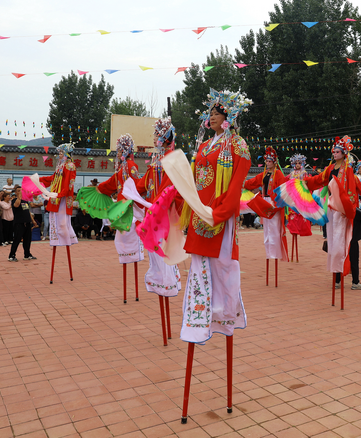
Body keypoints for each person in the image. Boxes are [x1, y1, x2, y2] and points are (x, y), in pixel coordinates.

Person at [154, 88, 252, 421]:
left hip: (219, 223)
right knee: (197, 276)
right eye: (209, 112)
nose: (210, 116)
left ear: (229, 116)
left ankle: (222, 315)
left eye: (216, 112)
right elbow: (196, 184)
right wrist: (181, 200)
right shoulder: (205, 147)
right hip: (200, 219)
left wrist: (218, 213)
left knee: (223, 275)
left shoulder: (238, 146)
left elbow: (235, 188)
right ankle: (198, 322)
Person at [133, 118, 182, 345]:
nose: (153, 139)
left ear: (165, 138)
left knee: (163, 259)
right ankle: (162, 285)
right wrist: (127, 190)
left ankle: (166, 286)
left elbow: (170, 190)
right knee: (155, 257)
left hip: (164, 218)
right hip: (153, 215)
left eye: (157, 135)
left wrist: (155, 206)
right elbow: (143, 185)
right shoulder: (154, 163)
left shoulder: (172, 162)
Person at [79, 134, 143, 302]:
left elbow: (133, 186)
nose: (118, 151)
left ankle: (130, 292)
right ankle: (131, 291)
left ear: (125, 149)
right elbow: (113, 184)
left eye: (120, 149)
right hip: (124, 209)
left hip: (126, 208)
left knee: (126, 240)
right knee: (126, 241)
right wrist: (97, 189)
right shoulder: (124, 167)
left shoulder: (128, 166)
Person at [304, 136, 361, 293]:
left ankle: (355, 281)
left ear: (344, 153)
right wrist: (307, 182)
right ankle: (337, 279)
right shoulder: (330, 169)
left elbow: (353, 189)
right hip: (333, 210)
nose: (334, 154)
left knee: (351, 246)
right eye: (333, 151)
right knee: (335, 244)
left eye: (337, 151)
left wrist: (349, 208)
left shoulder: (349, 170)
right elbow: (320, 180)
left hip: (346, 212)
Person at [244, 146, 289, 282]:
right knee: (267, 230)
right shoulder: (263, 174)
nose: (267, 163)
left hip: (273, 203)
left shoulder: (279, 174)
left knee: (274, 229)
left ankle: (275, 253)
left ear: (275, 162)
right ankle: (269, 253)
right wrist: (241, 183)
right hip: (264, 202)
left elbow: (281, 191)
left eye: (270, 161)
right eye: (266, 160)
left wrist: (276, 203)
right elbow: (252, 183)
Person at [38, 143, 78, 247]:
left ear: (67, 154)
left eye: (61, 153)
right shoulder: (61, 165)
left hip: (62, 197)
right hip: (57, 195)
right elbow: (53, 179)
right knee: (55, 219)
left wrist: (60, 194)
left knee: (62, 221)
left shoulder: (70, 165)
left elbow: (68, 182)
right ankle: (57, 240)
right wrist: (39, 180)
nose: (59, 155)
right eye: (59, 153)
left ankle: (65, 240)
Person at [286, 153, 313, 239]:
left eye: (299, 163)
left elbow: (307, 184)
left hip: (301, 196)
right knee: (293, 213)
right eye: (296, 163)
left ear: (302, 163)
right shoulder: (291, 174)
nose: (297, 165)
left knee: (301, 214)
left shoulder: (304, 173)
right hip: (293, 196)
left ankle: (302, 229)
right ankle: (294, 229)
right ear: (293, 164)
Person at [8, 186, 37, 262]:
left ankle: (27, 254)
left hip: (27, 223)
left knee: (27, 240)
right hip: (19, 223)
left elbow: (27, 211)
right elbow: (16, 205)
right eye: (18, 190)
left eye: (21, 190)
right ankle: (12, 255)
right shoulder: (14, 200)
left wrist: (33, 220)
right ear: (15, 192)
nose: (20, 191)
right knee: (17, 240)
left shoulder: (25, 201)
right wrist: (19, 197)